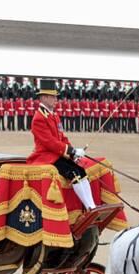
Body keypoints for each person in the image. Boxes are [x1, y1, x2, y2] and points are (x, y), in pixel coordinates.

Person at [28, 78, 96, 211]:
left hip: (57, 154)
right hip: (46, 156)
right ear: (44, 98)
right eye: (53, 97)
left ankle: (92, 206)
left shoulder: (54, 115)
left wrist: (74, 153)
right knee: (74, 174)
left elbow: (62, 137)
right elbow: (50, 143)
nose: (56, 99)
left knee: (81, 171)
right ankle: (89, 207)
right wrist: (71, 151)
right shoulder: (39, 118)